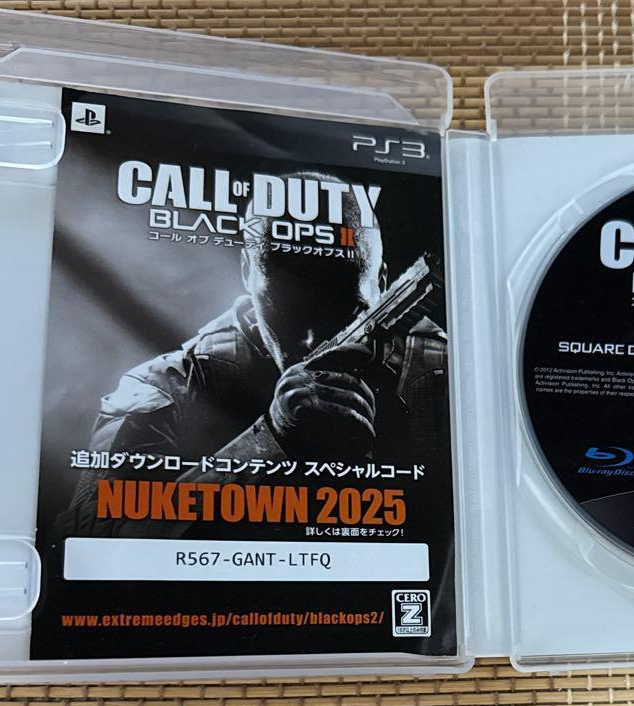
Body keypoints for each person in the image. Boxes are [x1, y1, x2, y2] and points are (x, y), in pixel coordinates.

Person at [59, 172, 446, 537]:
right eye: (289, 311)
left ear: (382, 283)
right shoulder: (168, 386)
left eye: (346, 310)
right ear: (247, 273)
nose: (311, 343)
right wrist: (269, 440)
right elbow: (86, 544)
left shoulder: (442, 370)